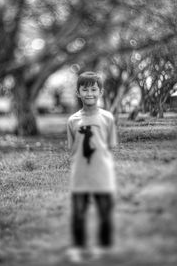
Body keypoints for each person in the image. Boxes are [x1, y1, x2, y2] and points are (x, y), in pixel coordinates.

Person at [66, 71, 118, 262]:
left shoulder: (107, 118)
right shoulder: (72, 120)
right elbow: (72, 149)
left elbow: (110, 146)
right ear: (78, 92)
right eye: (85, 89)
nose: (89, 93)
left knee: (105, 213)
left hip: (103, 174)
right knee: (78, 214)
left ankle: (104, 248)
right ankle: (78, 247)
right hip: (80, 175)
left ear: (100, 91)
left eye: (93, 89)